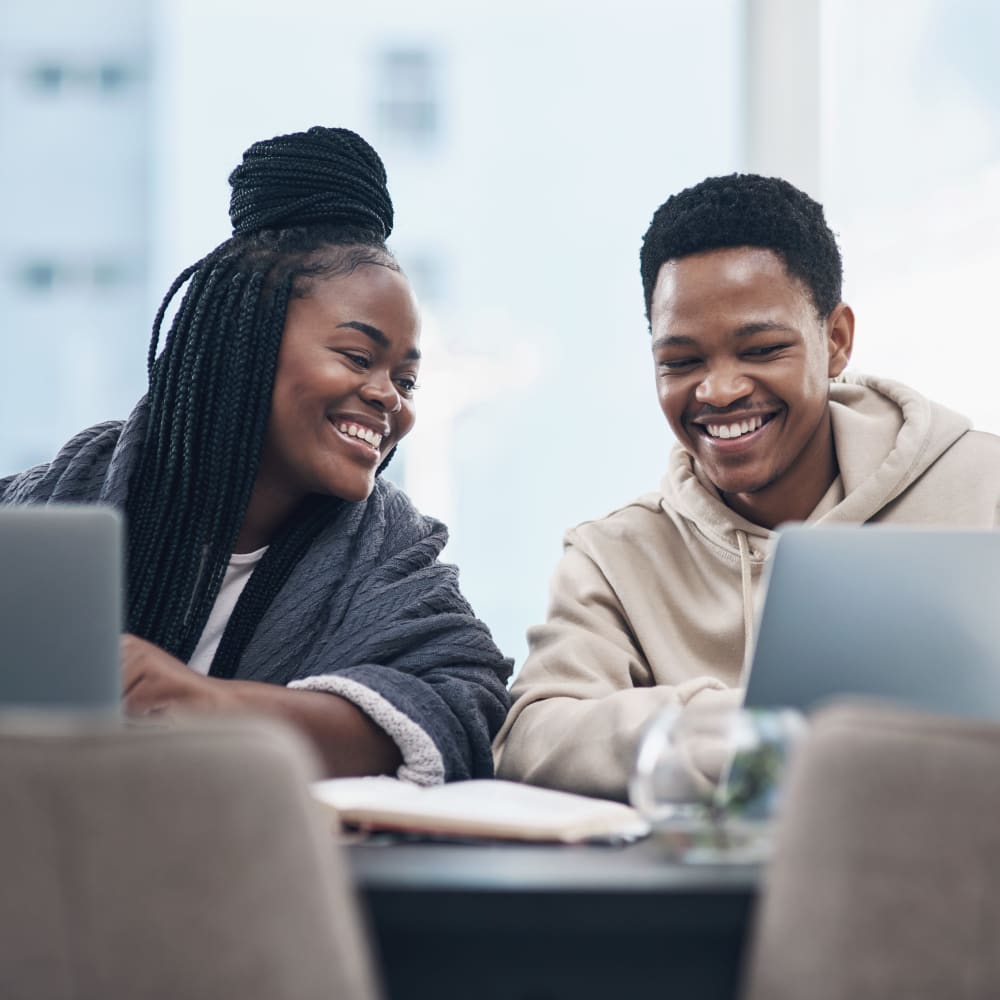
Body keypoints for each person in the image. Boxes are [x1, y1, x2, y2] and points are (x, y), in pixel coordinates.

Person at [1, 125, 511, 784]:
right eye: (358, 357)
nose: (389, 398)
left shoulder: (395, 558)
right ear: (245, 344)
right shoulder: (55, 505)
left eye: (406, 380)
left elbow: (461, 699)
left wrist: (211, 706)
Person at [493, 173, 1000, 801]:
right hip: (703, 891)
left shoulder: (984, 489)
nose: (719, 390)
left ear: (835, 340)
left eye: (760, 350)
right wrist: (714, 729)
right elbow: (530, 735)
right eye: (681, 362)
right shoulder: (615, 555)